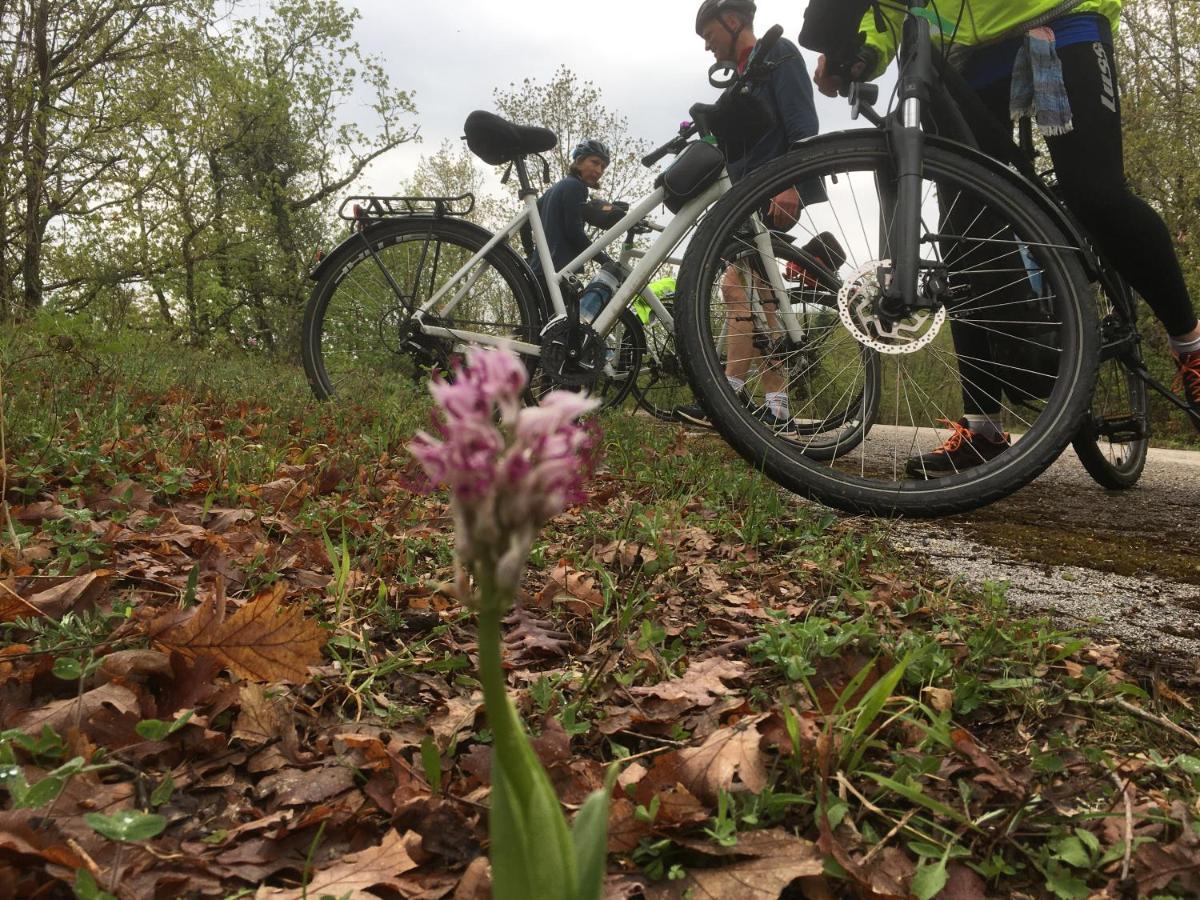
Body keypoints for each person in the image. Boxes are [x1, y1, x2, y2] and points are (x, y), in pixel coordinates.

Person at [811, 0, 1200, 476]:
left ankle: (1191, 347)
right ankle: (984, 429)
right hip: (967, 54)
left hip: (1061, 17)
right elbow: (889, 9)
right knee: (964, 233)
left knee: (1095, 195)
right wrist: (862, 52)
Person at [675, 0, 826, 434]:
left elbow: (802, 120)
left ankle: (729, 395)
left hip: (773, 189)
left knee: (737, 289)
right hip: (745, 198)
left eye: (709, 36)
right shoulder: (743, 74)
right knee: (758, 298)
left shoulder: (779, 54)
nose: (708, 47)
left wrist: (792, 183)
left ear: (734, 20)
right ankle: (774, 405)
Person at [528, 139, 614, 277]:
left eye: (603, 167)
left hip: (539, 270)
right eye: (595, 162)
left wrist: (530, 256)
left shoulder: (555, 188)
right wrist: (604, 260)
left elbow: (527, 221)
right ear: (579, 161)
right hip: (559, 271)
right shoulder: (576, 186)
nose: (599, 171)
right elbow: (574, 232)